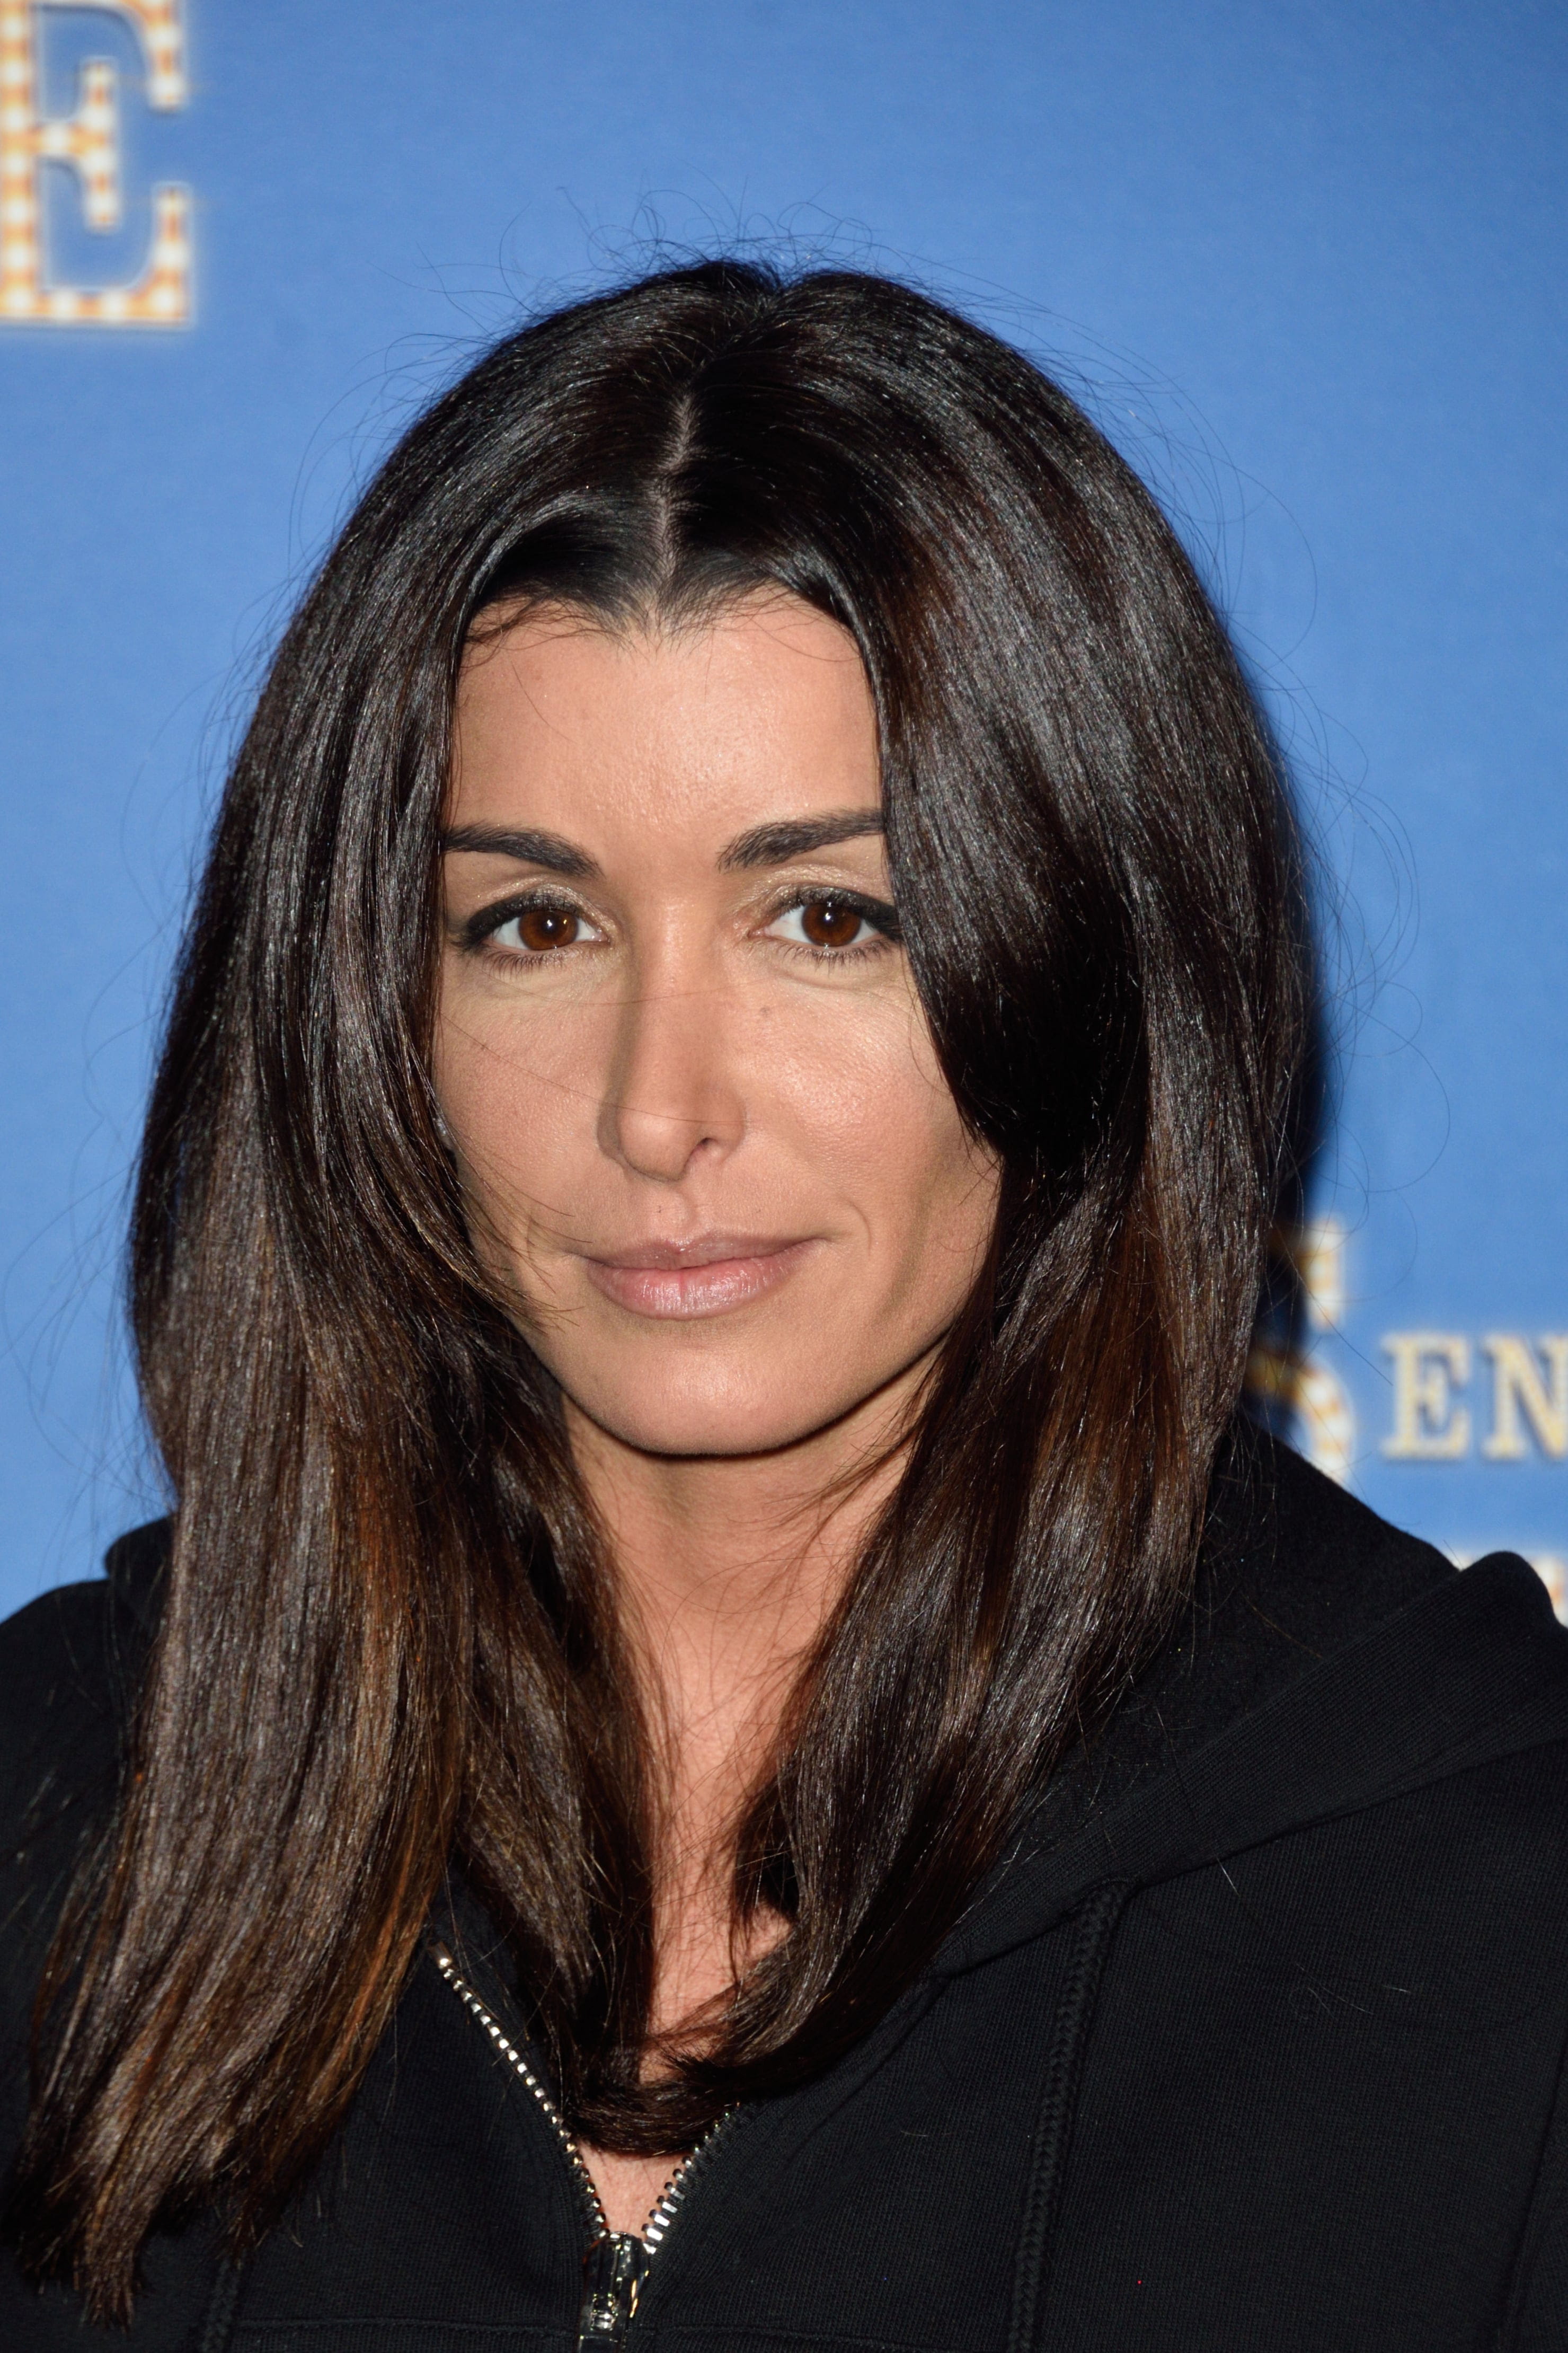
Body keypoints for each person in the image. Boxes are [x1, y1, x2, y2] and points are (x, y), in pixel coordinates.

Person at [2, 260, 1565, 2353]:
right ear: (371, 1012)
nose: (660, 1109)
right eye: (532, 924)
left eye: (828, 919)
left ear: (1090, 961)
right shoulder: (58, 1806)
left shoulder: (1487, 1892)